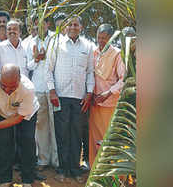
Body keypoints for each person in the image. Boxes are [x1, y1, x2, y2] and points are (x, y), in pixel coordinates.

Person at [46, 15, 95, 184]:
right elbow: (48, 69)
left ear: (81, 27)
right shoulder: (56, 44)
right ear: (65, 27)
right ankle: (62, 170)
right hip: (60, 97)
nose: (73, 27)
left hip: (80, 98)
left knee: (76, 134)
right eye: (70, 25)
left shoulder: (88, 46)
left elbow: (90, 72)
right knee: (62, 134)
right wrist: (52, 91)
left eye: (76, 24)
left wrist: (89, 93)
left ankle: (75, 169)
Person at [89, 24, 126, 167]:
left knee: (110, 139)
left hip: (110, 105)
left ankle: (112, 174)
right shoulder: (93, 53)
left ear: (111, 39)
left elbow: (124, 78)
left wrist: (108, 93)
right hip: (95, 105)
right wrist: (90, 93)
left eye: (104, 38)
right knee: (95, 139)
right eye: (99, 37)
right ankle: (96, 172)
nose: (101, 41)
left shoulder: (117, 54)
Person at [26, 18, 59, 171]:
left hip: (54, 87)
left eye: (43, 23)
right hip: (38, 87)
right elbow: (29, 65)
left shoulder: (56, 39)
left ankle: (57, 160)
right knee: (41, 125)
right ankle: (43, 160)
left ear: (48, 24)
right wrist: (37, 59)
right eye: (36, 24)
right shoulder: (30, 42)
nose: (40, 26)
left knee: (55, 124)